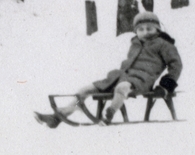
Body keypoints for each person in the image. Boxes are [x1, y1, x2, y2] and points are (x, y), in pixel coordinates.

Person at [37, 9, 182, 127]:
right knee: (85, 89)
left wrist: (165, 86)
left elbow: (176, 65)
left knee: (122, 87)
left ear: (157, 29)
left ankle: (110, 112)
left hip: (142, 80)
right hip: (119, 76)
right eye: (141, 29)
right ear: (136, 31)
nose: (145, 32)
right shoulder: (135, 43)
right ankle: (61, 114)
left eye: (149, 29)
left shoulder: (164, 45)